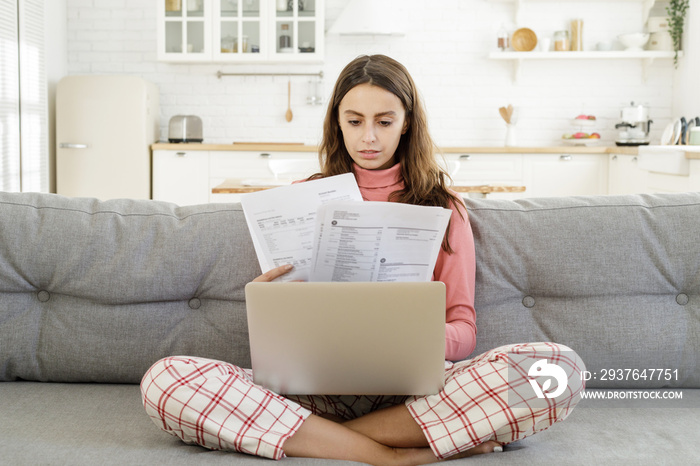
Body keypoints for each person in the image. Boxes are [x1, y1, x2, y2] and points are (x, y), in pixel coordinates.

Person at [141, 55, 585, 465]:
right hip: (316, 390)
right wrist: (265, 301)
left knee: (556, 369)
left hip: (413, 396)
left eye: (384, 121)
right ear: (337, 123)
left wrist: (405, 336)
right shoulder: (303, 196)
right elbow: (282, 332)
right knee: (165, 380)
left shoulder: (444, 207)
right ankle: (387, 453)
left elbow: (464, 332)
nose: (368, 137)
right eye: (354, 121)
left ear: (407, 124)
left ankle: (325, 440)